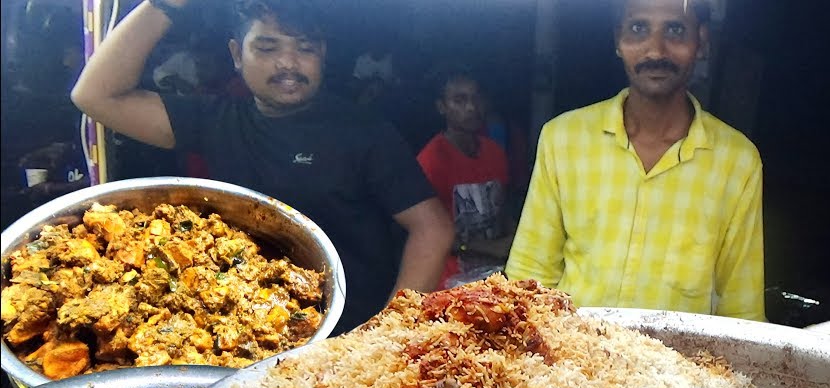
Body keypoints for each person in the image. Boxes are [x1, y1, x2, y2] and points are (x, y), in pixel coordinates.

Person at [71, 0, 453, 333]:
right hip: (246, 334)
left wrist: (390, 328)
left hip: (348, 333)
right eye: (267, 47)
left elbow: (431, 228)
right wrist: (171, 3)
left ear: (322, 55)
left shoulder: (363, 129)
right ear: (236, 54)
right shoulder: (214, 119)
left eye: (305, 49)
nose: (288, 63)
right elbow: (93, 94)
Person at [504, 0, 766, 322]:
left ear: (702, 41)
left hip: (676, 368)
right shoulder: (563, 138)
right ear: (618, 40)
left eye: (675, 30)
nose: (655, 50)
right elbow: (529, 276)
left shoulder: (737, 162)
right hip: (573, 364)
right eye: (638, 28)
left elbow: (741, 310)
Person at [416, 68, 513, 288]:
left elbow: (502, 210)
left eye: (476, 98)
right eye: (459, 100)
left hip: (496, 275)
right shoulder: (431, 160)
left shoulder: (494, 152)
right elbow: (427, 235)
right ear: (441, 107)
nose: (471, 107)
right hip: (450, 280)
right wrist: (494, 248)